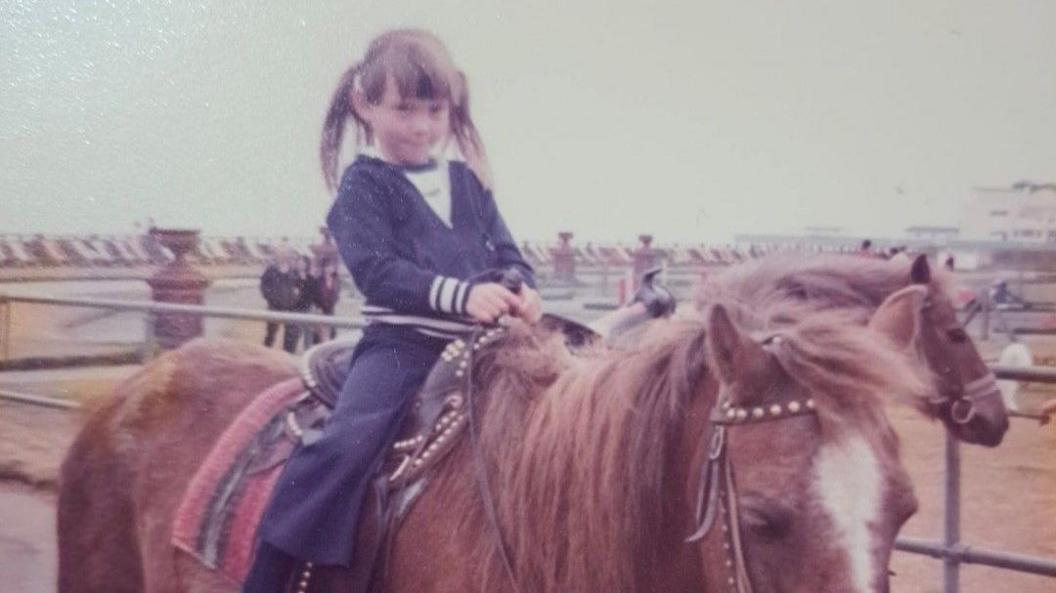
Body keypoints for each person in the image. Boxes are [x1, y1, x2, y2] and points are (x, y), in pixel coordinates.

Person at [243, 29, 542, 592]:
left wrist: (524, 289)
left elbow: (508, 253)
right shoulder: (363, 187)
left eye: (436, 110)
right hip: (402, 348)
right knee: (343, 448)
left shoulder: (467, 182)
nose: (424, 126)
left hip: (484, 347)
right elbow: (378, 272)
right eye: (405, 109)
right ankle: (272, 573)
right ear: (366, 104)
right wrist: (461, 295)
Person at [259, 252, 301, 350]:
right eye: (282, 255)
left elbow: (300, 286)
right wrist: (270, 296)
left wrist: (295, 298)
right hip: (274, 307)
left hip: (290, 308)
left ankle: (287, 356)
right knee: (270, 334)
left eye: (287, 256)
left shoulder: (294, 271)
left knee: (290, 336)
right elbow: (263, 285)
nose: (284, 257)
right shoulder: (271, 270)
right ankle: (266, 354)